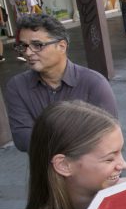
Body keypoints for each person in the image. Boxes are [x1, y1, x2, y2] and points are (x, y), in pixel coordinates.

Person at [5, 14, 117, 152]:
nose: (28, 52)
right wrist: (77, 137)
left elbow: (108, 135)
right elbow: (22, 139)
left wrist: (45, 137)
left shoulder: (94, 83)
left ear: (62, 46)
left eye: (37, 45)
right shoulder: (17, 86)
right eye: (23, 46)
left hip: (90, 171)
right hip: (44, 172)